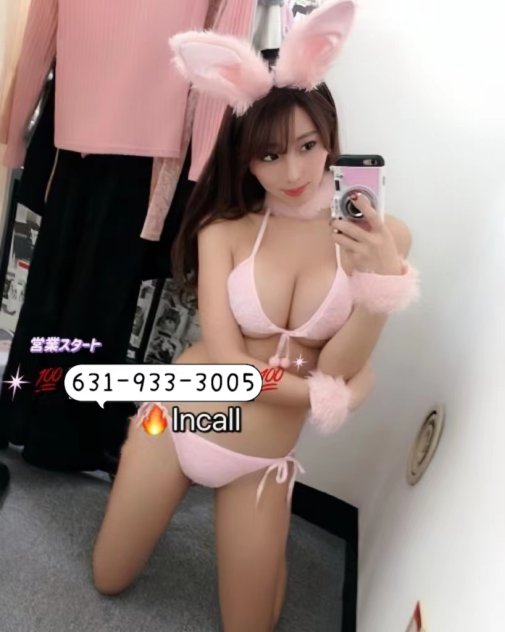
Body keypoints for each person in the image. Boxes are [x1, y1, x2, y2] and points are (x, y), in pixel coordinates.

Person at [92, 2, 420, 630]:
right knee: (108, 577)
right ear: (244, 158)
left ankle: (267, 557)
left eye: (307, 146)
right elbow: (228, 360)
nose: (292, 171)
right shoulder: (225, 230)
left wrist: (380, 282)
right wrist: (333, 396)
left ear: (331, 139)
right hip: (177, 418)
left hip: (261, 461)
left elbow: (342, 361)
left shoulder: (382, 237)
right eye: (268, 155)